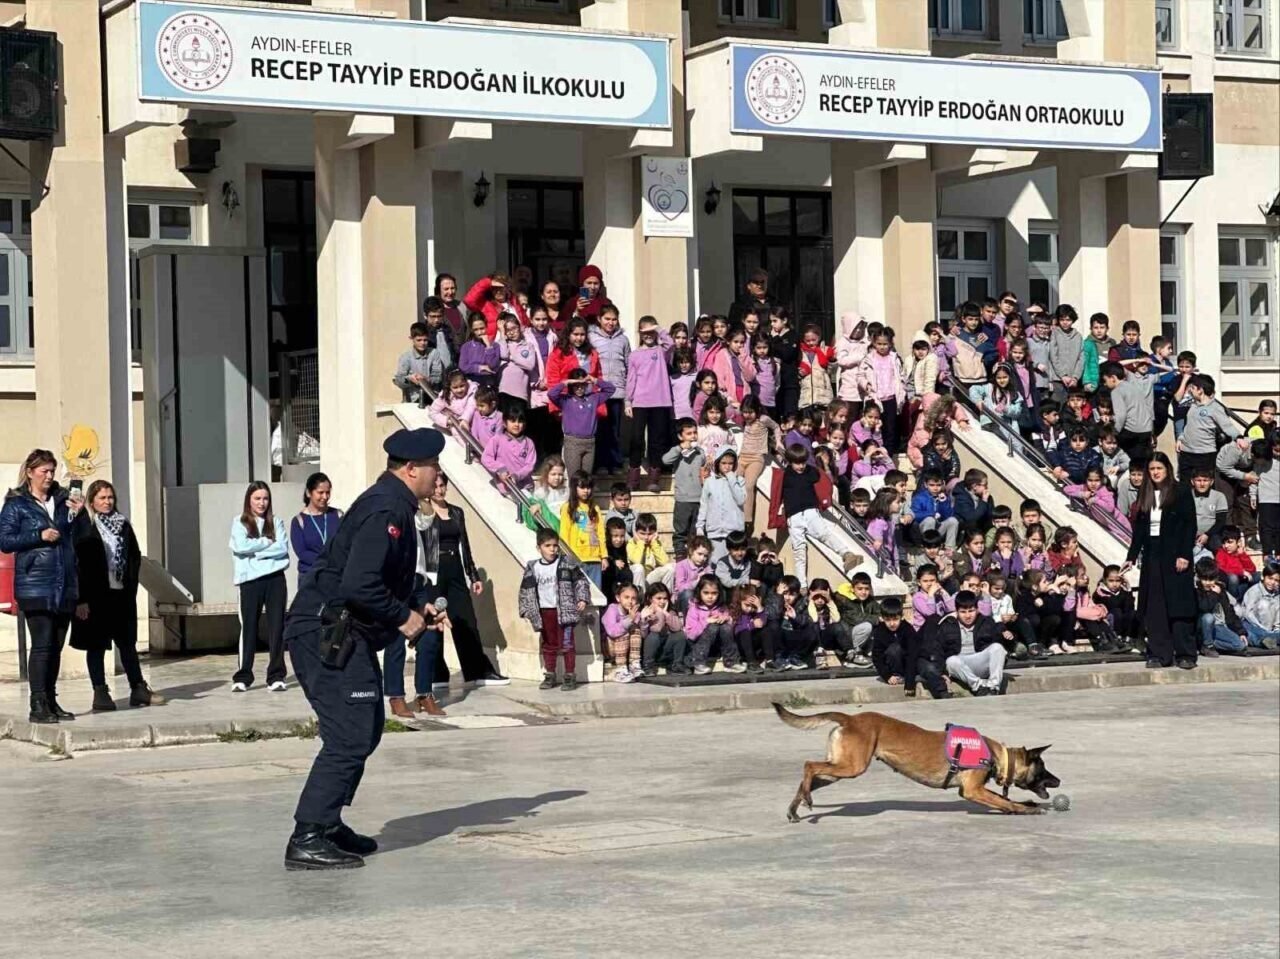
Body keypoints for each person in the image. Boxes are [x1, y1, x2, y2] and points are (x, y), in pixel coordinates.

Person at [283, 428, 449, 870]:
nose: (438, 474)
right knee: (350, 733)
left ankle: (329, 822)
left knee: (368, 725)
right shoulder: (386, 508)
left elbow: (384, 577)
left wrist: (419, 604)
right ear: (411, 469)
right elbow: (359, 584)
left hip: (341, 632)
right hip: (325, 632)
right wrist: (403, 617)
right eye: (433, 466)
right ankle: (308, 835)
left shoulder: (393, 504)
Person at [0, 450, 82, 724]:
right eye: (44, 471)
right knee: (42, 645)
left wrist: (77, 514)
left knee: (56, 646)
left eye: (52, 471)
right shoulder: (16, 503)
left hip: (64, 582)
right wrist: (39, 535)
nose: (49, 476)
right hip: (35, 584)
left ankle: (50, 699)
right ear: (30, 471)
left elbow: (72, 535)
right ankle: (37, 703)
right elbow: (6, 541)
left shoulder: (61, 500)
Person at [71, 479, 165, 711]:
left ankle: (138, 689)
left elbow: (134, 555)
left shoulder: (123, 524)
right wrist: (81, 599)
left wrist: (130, 586)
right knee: (96, 646)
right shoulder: (86, 525)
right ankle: (100, 693)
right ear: (92, 500)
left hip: (121, 595)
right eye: (102, 498)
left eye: (110, 497)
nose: (107, 502)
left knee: (127, 645)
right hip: (95, 597)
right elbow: (79, 562)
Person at [1124, 452, 1198, 669]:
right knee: (1155, 606)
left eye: (1159, 468)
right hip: (1152, 554)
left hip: (1175, 553)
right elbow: (1139, 529)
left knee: (1179, 604)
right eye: (1152, 469)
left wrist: (1184, 554)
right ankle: (1158, 653)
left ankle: (1185, 653)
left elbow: (1189, 525)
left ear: (1167, 470)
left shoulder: (1181, 491)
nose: (1155, 473)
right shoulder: (1145, 494)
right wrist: (1131, 556)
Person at [767, 444, 862, 585]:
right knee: (799, 550)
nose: (800, 466)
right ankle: (802, 584)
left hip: (811, 511)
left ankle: (847, 554)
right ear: (790, 462)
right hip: (794, 517)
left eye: (803, 462)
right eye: (797, 463)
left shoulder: (811, 471)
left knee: (824, 534)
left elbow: (822, 479)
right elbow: (777, 495)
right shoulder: (785, 474)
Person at [519, 528, 592, 691]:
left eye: (555, 546)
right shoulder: (533, 567)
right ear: (539, 548)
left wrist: (582, 598)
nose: (552, 549)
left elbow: (581, 581)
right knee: (548, 645)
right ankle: (550, 674)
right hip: (544, 613)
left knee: (567, 644)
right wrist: (526, 609)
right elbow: (526, 589)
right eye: (547, 546)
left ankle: (569, 676)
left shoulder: (567, 563)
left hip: (564, 611)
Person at [625, 315, 675, 492]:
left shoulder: (662, 351)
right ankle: (633, 477)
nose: (648, 335)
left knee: (657, 440)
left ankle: (654, 478)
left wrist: (658, 328)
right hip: (640, 402)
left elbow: (671, 343)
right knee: (636, 439)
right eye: (644, 331)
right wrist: (628, 401)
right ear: (639, 332)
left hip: (660, 402)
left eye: (651, 331)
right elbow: (630, 379)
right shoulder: (634, 355)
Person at [588, 303, 631, 474]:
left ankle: (615, 463)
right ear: (599, 319)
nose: (611, 323)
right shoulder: (592, 338)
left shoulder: (623, 339)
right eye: (607, 319)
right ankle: (600, 464)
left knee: (615, 430)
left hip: (617, 391)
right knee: (599, 429)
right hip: (598, 392)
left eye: (614, 319)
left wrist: (628, 395)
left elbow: (629, 366)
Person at [549, 369, 614, 478]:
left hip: (590, 443)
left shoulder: (593, 398)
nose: (579, 388)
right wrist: (566, 382)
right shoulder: (566, 400)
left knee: (586, 479)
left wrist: (595, 380)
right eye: (576, 385)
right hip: (573, 443)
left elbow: (611, 389)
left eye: (582, 385)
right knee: (574, 478)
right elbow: (551, 394)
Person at [940, 590, 1007, 695]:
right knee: (951, 661)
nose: (967, 616)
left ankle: (993, 686)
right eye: (963, 612)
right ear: (956, 612)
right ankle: (978, 686)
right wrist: (941, 672)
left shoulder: (986, 622)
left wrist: (1008, 636)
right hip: (959, 665)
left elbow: (998, 643)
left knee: (997, 647)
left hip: (979, 661)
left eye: (971, 611)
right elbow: (937, 650)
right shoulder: (947, 624)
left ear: (977, 610)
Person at [1177, 375, 1240, 481]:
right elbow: (1189, 425)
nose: (1190, 391)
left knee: (1203, 486)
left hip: (1204, 455)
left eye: (1192, 388)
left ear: (1200, 390)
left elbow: (1227, 426)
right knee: (1184, 487)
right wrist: (1181, 438)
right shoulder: (1192, 405)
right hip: (1186, 453)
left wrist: (1239, 438)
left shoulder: (1215, 408)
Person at [663, 418, 706, 558]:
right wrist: (680, 448)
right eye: (689, 433)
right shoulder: (677, 451)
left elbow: (704, 468)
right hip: (683, 499)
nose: (693, 436)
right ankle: (680, 556)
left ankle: (693, 556)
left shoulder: (700, 452)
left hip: (699, 498)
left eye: (695, 433)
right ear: (680, 436)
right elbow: (665, 460)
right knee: (681, 531)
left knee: (696, 531)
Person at [697, 446, 746, 562]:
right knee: (715, 564)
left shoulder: (739, 481)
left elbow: (740, 500)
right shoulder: (710, 482)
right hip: (715, 532)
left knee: (733, 566)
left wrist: (732, 479)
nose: (727, 466)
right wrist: (700, 526)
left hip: (734, 534)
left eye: (730, 463)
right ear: (718, 463)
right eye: (723, 463)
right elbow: (704, 505)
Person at [290, 472, 342, 577]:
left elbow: (345, 543)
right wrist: (327, 561)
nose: (325, 496)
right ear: (309, 493)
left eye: (327, 492)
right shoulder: (299, 521)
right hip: (310, 575)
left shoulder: (338, 515)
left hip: (335, 575)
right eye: (320, 492)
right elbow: (302, 553)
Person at [392, 316, 450, 404]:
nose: (422, 343)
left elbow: (437, 377)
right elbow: (398, 380)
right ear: (411, 339)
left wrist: (425, 379)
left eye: (425, 340)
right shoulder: (406, 357)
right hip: (414, 399)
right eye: (419, 340)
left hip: (432, 396)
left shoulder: (434, 353)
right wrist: (410, 379)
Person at [463, 272, 527, 338]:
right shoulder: (485, 305)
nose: (498, 291)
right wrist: (488, 281)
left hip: (518, 345)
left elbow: (526, 324)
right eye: (495, 288)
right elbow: (468, 301)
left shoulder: (515, 302)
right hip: (496, 345)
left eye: (501, 288)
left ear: (507, 288)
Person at [1239, 561, 1280, 649]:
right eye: (1270, 578)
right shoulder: (1254, 591)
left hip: (1270, 629)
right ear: (1262, 577)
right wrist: (1263, 630)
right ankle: (1266, 639)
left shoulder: (1277, 594)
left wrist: (1276, 629)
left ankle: (1271, 638)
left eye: (1276, 580)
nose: (1272, 582)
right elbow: (1248, 615)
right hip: (1252, 625)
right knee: (1252, 635)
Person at [1047, 304, 1083, 402]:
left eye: (1068, 320)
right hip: (1057, 379)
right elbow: (1053, 356)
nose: (1065, 323)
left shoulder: (1078, 336)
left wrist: (1075, 377)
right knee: (1057, 406)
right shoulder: (1054, 333)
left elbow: (1081, 358)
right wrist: (1062, 375)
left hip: (1073, 380)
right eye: (1062, 320)